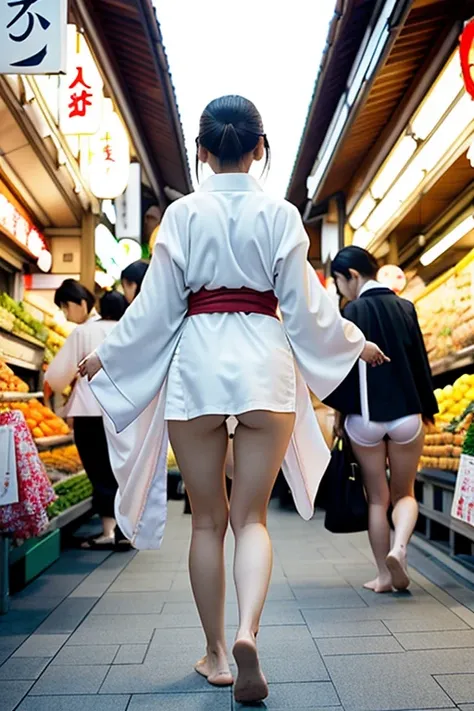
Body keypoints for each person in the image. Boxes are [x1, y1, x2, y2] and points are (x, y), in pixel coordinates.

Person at [79, 95, 386, 703]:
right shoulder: (281, 215)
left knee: (208, 521)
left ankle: (217, 654)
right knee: (250, 519)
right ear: (259, 149)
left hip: (197, 363)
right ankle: (249, 631)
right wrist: (353, 342)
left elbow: (157, 308)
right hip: (264, 364)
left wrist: (107, 355)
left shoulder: (184, 216)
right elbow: (305, 306)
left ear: (201, 151)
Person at [327, 246, 438, 593]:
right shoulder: (405, 307)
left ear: (353, 276)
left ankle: (384, 576)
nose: (339, 288)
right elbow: (420, 362)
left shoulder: (350, 312)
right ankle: (400, 548)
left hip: (364, 419)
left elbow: (341, 372)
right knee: (404, 494)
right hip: (406, 415)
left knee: (377, 498)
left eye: (339, 280)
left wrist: (339, 415)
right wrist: (428, 411)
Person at [46, 289, 129, 550]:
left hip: (89, 411)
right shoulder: (128, 331)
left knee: (99, 471)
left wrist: (58, 389)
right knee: (120, 470)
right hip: (124, 411)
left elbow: (57, 375)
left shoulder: (84, 332)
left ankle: (108, 531)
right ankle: (126, 530)